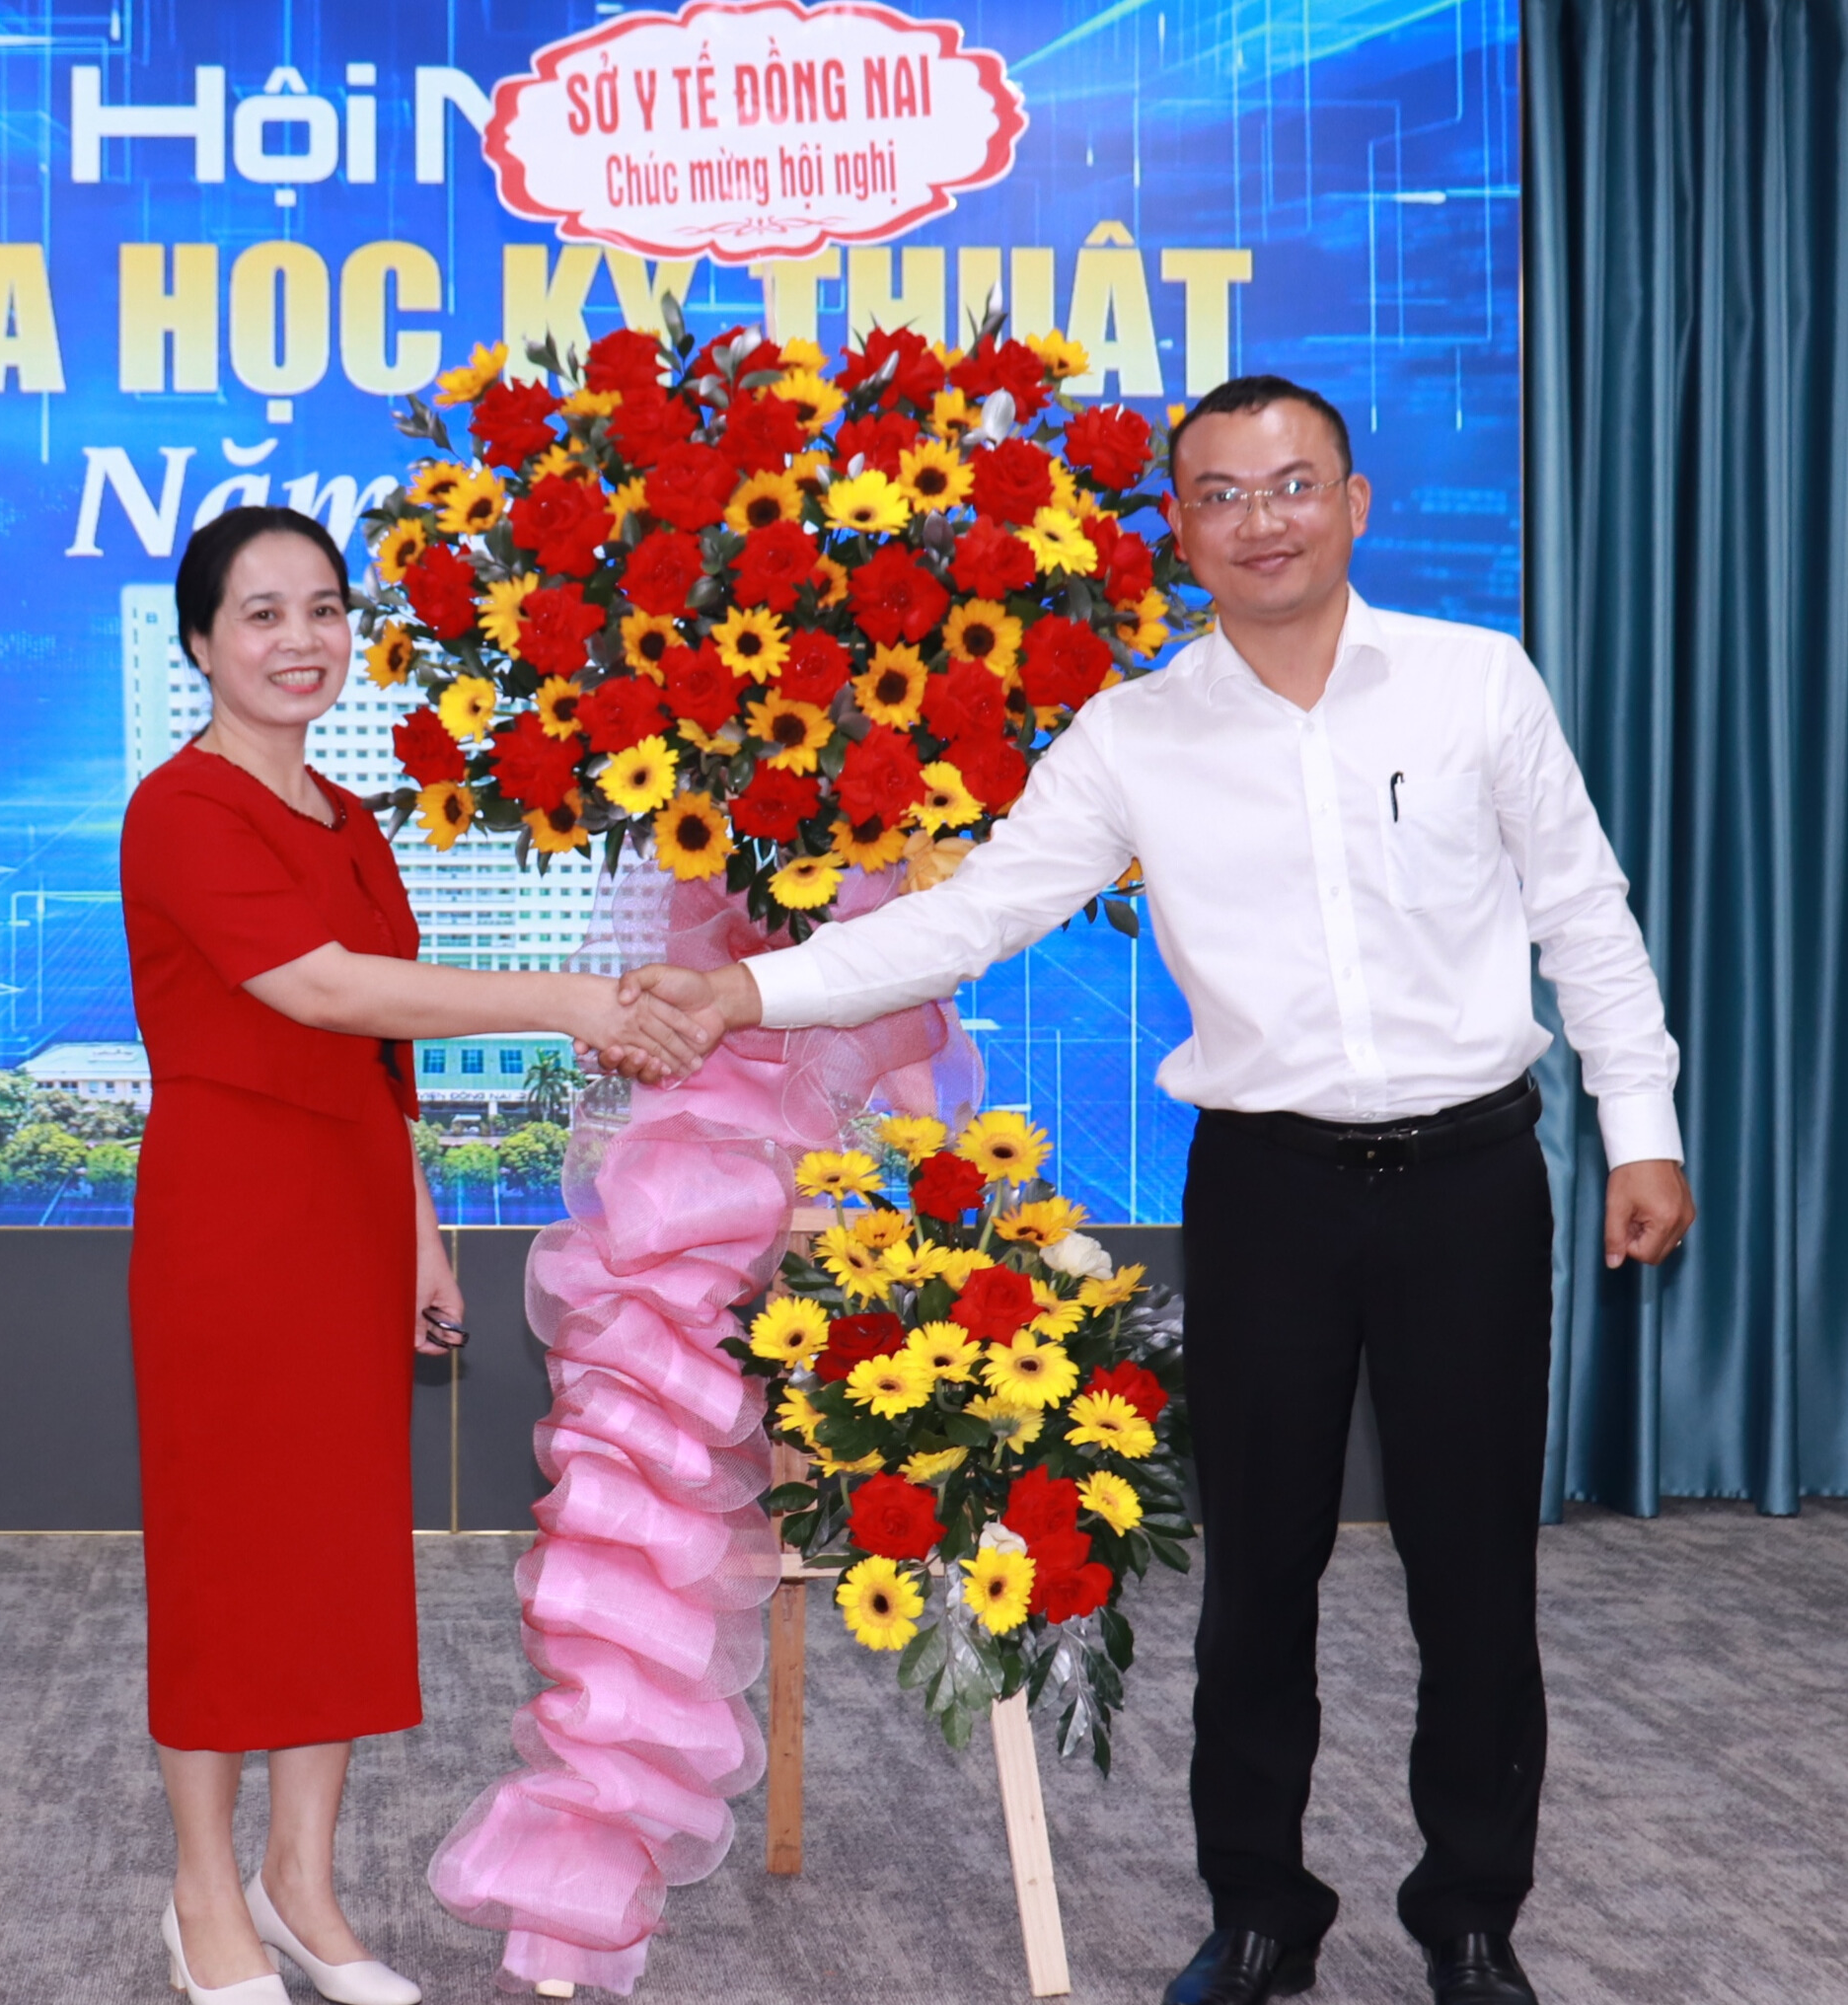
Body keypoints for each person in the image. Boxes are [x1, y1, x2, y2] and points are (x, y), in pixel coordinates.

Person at [609, 379, 1694, 2005]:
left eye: (1294, 484)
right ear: (1179, 528)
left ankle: (1473, 1916)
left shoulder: (1476, 683)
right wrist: (743, 993)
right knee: (1256, 1573)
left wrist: (1643, 1124)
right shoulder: (1134, 733)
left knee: (1477, 1572)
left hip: (1470, 1180)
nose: (1263, 520)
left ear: (1355, 502)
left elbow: (1583, 910)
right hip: (1267, 1193)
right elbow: (968, 919)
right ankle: (1258, 1911)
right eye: (1223, 494)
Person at [119, 506, 707, 2005]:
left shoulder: (350, 818)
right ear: (200, 643)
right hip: (229, 1220)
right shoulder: (179, 810)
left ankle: (301, 1886)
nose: (299, 640)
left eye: (323, 609)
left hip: (351, 1212)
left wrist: (423, 1232)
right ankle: (203, 1898)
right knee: (227, 1554)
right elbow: (322, 990)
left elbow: (381, 1054)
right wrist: (569, 999)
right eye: (261, 614)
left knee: (331, 1553)